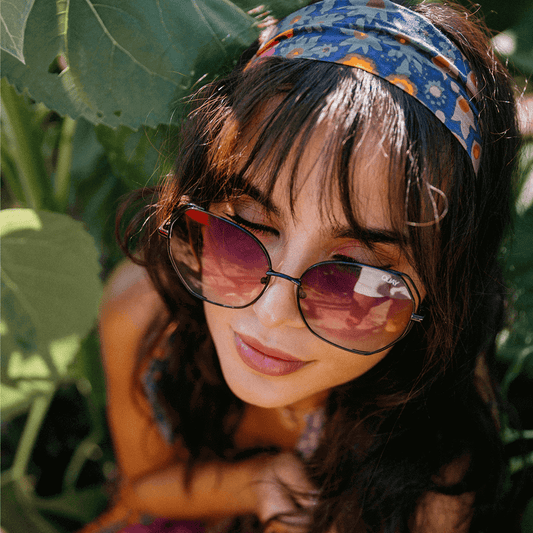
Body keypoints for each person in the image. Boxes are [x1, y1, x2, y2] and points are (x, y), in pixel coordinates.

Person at [80, 0, 521, 531]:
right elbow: (140, 486)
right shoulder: (143, 313)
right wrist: (254, 482)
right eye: (241, 233)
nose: (271, 313)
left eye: (356, 277)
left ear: (440, 297)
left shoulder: (435, 474)